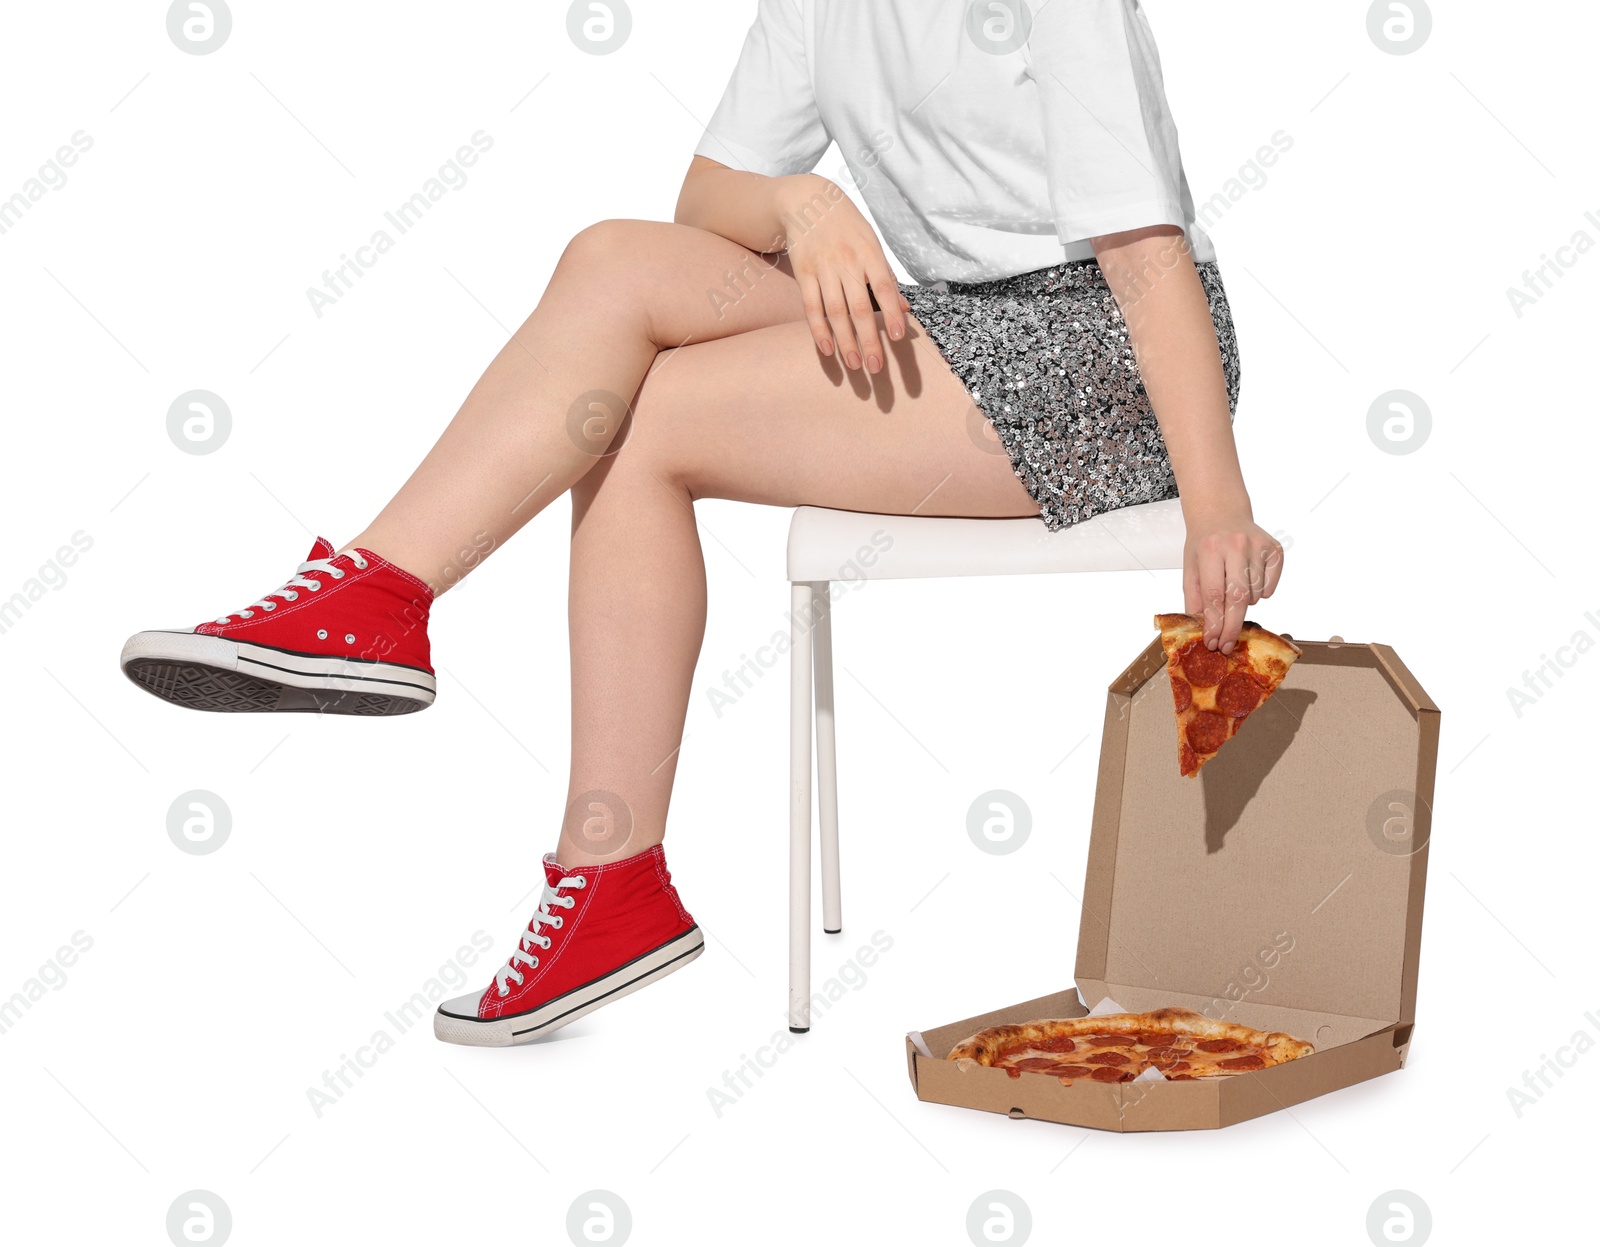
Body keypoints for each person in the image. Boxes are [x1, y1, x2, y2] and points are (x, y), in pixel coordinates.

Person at [119, 0, 1283, 1047]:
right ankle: (389, 603)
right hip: (947, 325)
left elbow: (1140, 251)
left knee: (640, 411)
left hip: (1107, 359)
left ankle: (596, 866)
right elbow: (705, 206)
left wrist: (1217, 501)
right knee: (613, 262)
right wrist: (803, 199)